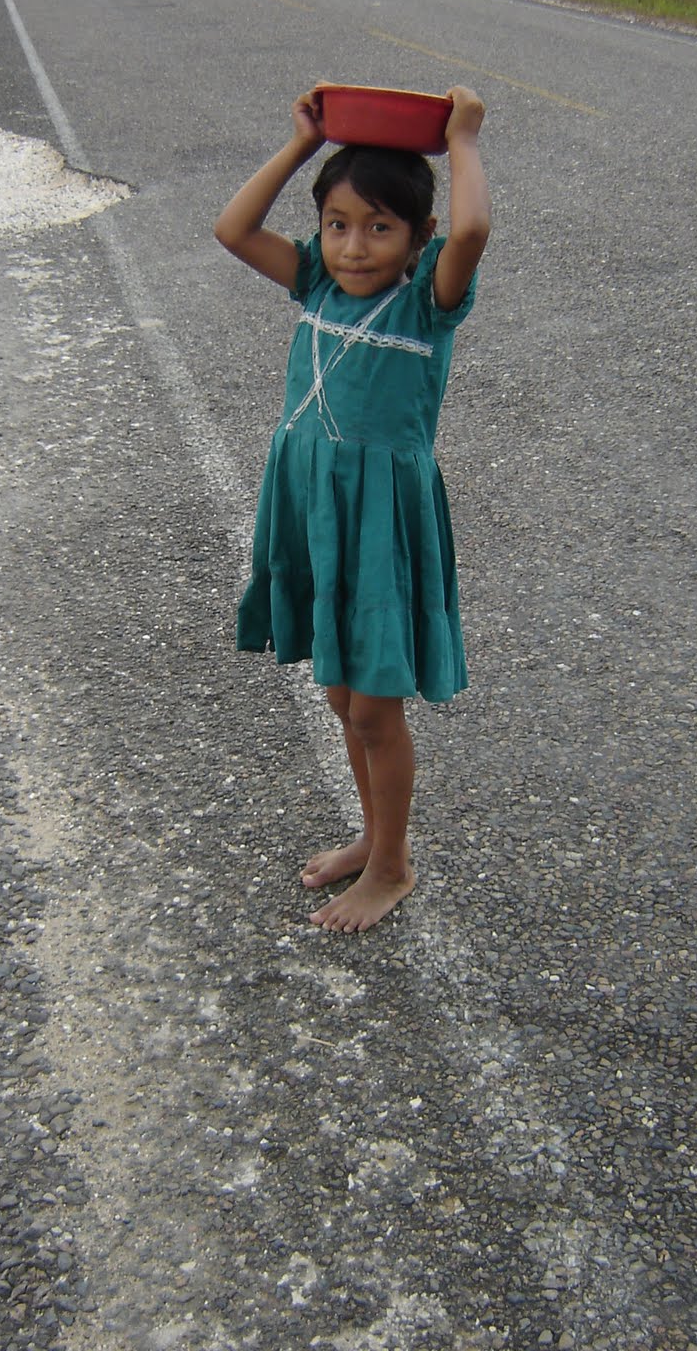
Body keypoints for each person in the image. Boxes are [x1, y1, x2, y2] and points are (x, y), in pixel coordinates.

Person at [214, 83, 490, 932]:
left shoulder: (425, 305)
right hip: (312, 504)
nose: (355, 246)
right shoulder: (314, 285)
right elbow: (232, 229)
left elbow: (474, 229)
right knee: (340, 695)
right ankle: (373, 839)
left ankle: (394, 866)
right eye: (338, 224)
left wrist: (465, 139)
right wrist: (301, 144)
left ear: (418, 239)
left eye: (380, 228)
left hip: (379, 524)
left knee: (374, 704)